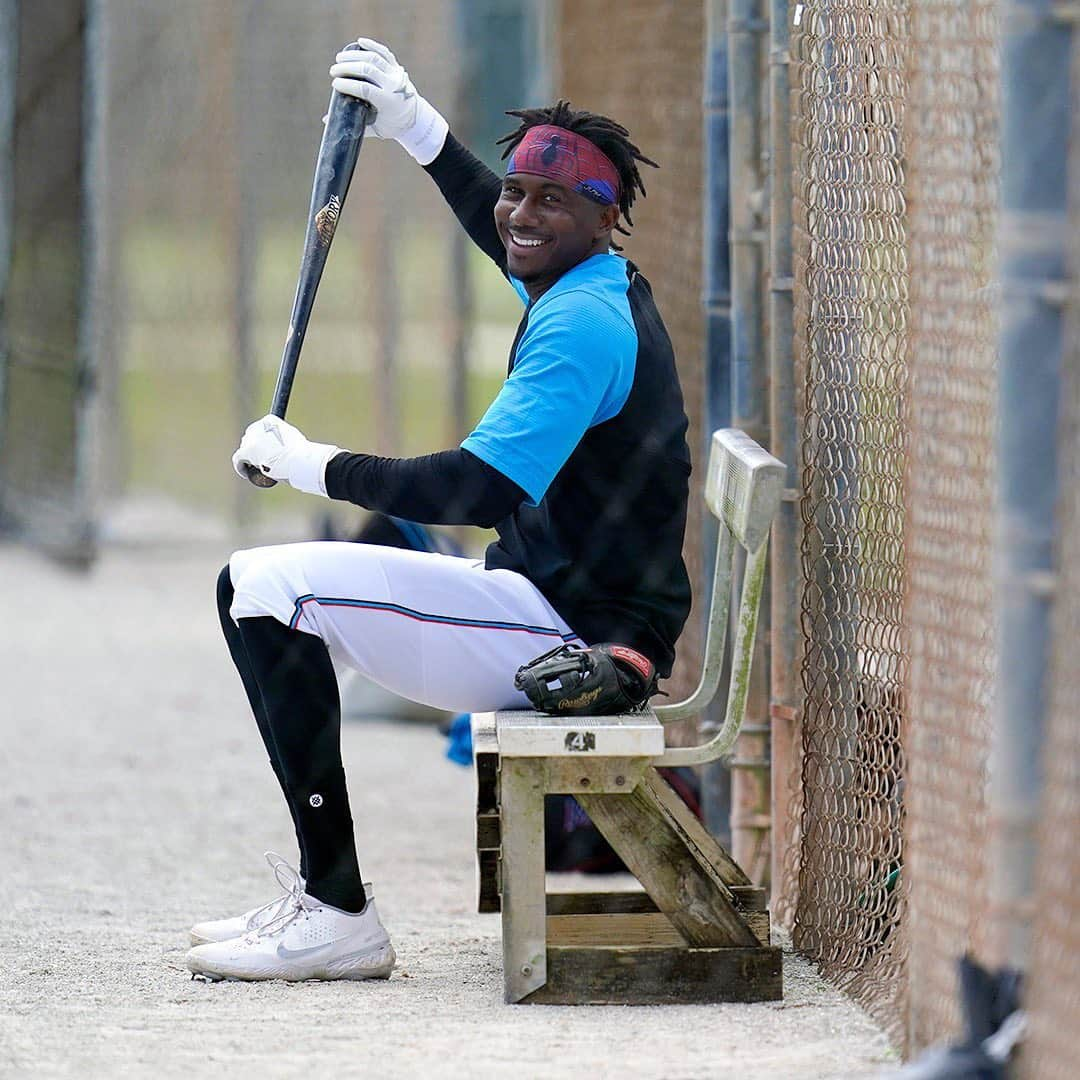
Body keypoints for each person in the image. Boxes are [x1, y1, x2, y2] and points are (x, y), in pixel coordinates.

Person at [185, 38, 692, 983]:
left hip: (565, 630)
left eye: (553, 200)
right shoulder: (587, 277)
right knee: (256, 587)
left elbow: (473, 493)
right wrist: (417, 125)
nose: (521, 216)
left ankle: (335, 910)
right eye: (516, 191)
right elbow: (496, 223)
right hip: (558, 599)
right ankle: (327, 900)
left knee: (263, 588)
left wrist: (314, 466)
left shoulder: (583, 323)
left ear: (604, 216)